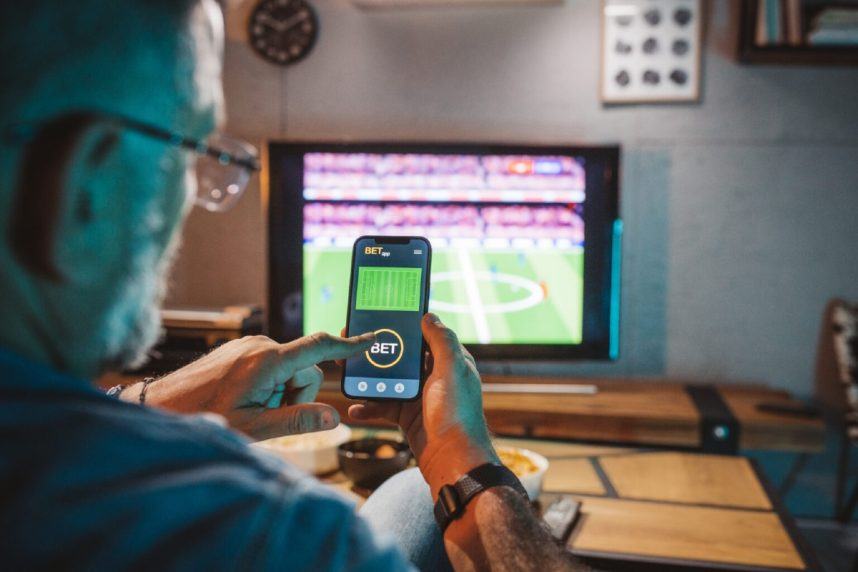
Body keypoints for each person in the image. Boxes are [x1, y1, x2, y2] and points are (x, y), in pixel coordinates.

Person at [0, 1, 585, 570]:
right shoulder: (274, 533)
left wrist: (146, 406)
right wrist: (466, 462)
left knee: (408, 494)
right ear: (86, 190)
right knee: (418, 488)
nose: (195, 197)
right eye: (187, 152)